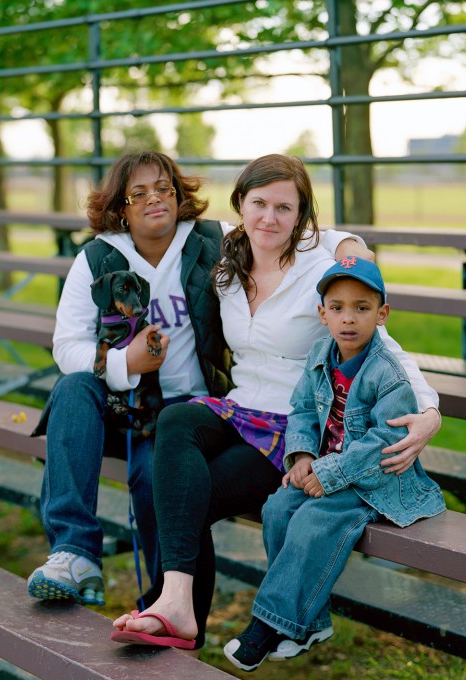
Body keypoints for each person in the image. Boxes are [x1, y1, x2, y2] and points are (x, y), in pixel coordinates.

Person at [111, 154, 441, 680]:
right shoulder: (225, 265)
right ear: (240, 205)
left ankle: (172, 676)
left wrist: (430, 412)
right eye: (259, 203)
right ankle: (178, 603)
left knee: (176, 503)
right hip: (240, 408)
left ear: (301, 215)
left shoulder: (324, 267)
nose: (270, 216)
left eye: (284, 206)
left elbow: (384, 342)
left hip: (296, 431)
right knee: (178, 423)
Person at [26, 150, 374, 614]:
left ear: (179, 194)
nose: (155, 199)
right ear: (119, 206)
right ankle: (74, 552)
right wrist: (125, 361)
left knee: (157, 481)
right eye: (140, 192)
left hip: (185, 407)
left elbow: (289, 227)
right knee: (71, 389)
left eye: (164, 188)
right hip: (119, 406)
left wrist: (350, 245)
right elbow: (66, 348)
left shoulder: (210, 239)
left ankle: (167, 609)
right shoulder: (96, 258)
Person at [223, 256, 446, 672]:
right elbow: (304, 408)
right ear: (322, 314)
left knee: (313, 521)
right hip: (328, 469)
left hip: (374, 482)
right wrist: (305, 456)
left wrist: (329, 474)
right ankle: (309, 624)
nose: (349, 319)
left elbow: (386, 442)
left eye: (362, 308)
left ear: (382, 315)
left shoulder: (388, 374)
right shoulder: (321, 353)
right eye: (338, 308)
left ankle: (269, 624)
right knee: (278, 509)